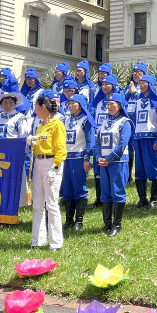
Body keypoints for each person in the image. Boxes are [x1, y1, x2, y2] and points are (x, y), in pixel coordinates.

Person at [26, 94, 67, 250]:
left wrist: (55, 167)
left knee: (51, 203)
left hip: (51, 163)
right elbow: (39, 146)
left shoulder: (57, 125)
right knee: (37, 203)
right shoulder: (40, 126)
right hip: (39, 162)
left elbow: (61, 149)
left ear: (43, 107)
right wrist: (33, 142)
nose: (35, 111)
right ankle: (37, 240)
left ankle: (56, 242)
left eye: (36, 108)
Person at [95, 93, 133, 236]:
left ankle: (117, 225)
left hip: (118, 162)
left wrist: (109, 158)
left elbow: (122, 144)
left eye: (113, 104)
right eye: (108, 104)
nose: (110, 107)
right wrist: (99, 156)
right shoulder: (105, 122)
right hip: (104, 162)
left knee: (117, 192)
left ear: (120, 106)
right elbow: (98, 142)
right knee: (105, 193)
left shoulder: (125, 122)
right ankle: (107, 223)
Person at [88, 74, 122, 208]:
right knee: (98, 167)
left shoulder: (117, 101)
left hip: (112, 137)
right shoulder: (100, 102)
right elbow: (95, 119)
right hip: (99, 137)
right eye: (103, 84)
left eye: (107, 84)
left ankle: (114, 198)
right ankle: (99, 198)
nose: (104, 87)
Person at [61, 94, 95, 232]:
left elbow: (90, 141)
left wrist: (87, 159)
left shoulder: (86, 121)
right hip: (66, 159)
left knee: (79, 189)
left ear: (80, 105)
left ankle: (79, 221)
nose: (70, 106)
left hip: (78, 159)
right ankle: (68, 220)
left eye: (73, 104)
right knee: (67, 190)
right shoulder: (66, 120)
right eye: (69, 104)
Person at [132, 73, 157, 210]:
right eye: (140, 83)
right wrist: (133, 139)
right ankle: (142, 198)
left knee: (153, 169)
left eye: (144, 83)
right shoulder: (137, 102)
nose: (141, 85)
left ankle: (154, 199)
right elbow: (133, 122)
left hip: (151, 139)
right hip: (139, 139)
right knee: (139, 169)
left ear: (150, 85)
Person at [125, 62, 147, 183]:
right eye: (134, 72)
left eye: (139, 72)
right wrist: (129, 92)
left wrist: (135, 92)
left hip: (139, 120)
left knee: (135, 145)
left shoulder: (145, 87)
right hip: (128, 118)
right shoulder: (128, 87)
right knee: (127, 145)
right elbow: (121, 100)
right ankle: (128, 174)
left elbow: (145, 100)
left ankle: (141, 173)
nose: (136, 74)